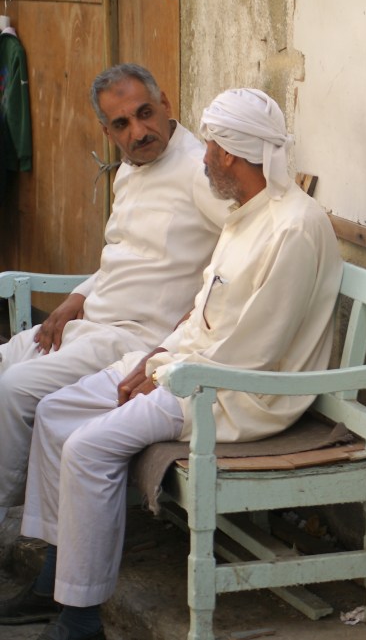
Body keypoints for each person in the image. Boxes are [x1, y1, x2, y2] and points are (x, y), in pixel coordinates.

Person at [0, 88, 344, 640]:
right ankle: (52, 577)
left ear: (231, 153)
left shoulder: (295, 228)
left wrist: (162, 368)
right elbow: (205, 314)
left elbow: (253, 350)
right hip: (188, 367)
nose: (202, 156)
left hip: (236, 396)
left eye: (210, 146)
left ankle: (80, 618)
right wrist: (161, 354)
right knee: (57, 411)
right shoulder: (247, 216)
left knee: (87, 447)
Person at [0, 64, 227, 525]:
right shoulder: (129, 168)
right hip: (92, 322)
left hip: (135, 340)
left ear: (166, 104)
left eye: (145, 113)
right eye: (121, 124)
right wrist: (76, 296)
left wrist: (192, 322)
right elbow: (122, 252)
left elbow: (241, 256)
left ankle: (8, 516)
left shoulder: (198, 172)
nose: (139, 132)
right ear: (107, 131)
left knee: (15, 390)